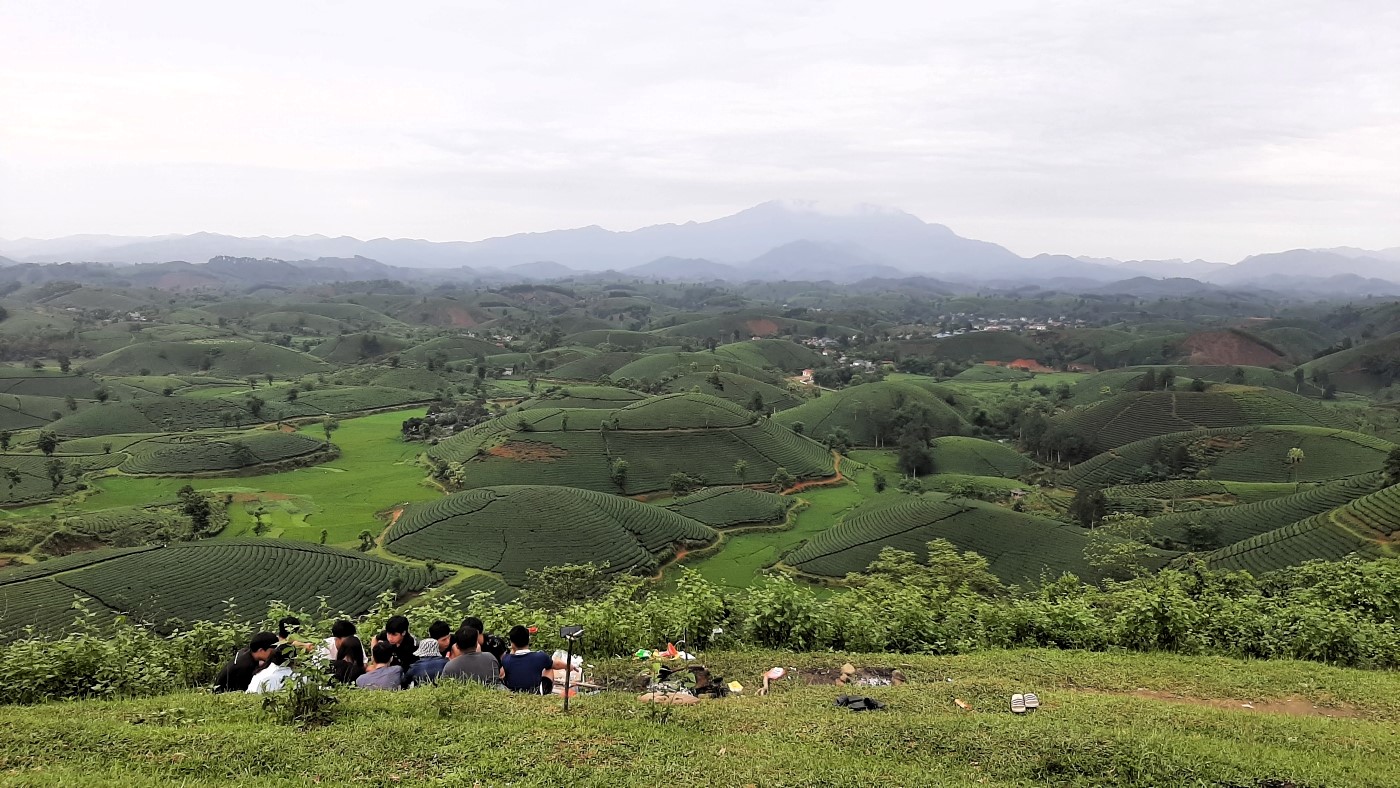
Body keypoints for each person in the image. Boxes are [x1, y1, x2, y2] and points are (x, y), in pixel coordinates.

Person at [214, 632, 279, 693]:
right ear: (261, 650)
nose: (274, 654)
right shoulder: (245, 667)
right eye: (271, 652)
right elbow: (243, 692)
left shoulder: (246, 652)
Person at [500, 625, 553, 694]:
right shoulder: (540, 656)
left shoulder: (506, 659)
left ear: (512, 643)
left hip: (514, 692)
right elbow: (556, 664)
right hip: (535, 692)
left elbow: (501, 675)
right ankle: (546, 692)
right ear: (529, 640)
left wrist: (513, 649)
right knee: (549, 667)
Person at [405, 620, 452, 687]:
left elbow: (405, 681)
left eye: (449, 638)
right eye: (443, 640)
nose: (448, 642)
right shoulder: (446, 662)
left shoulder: (414, 667)